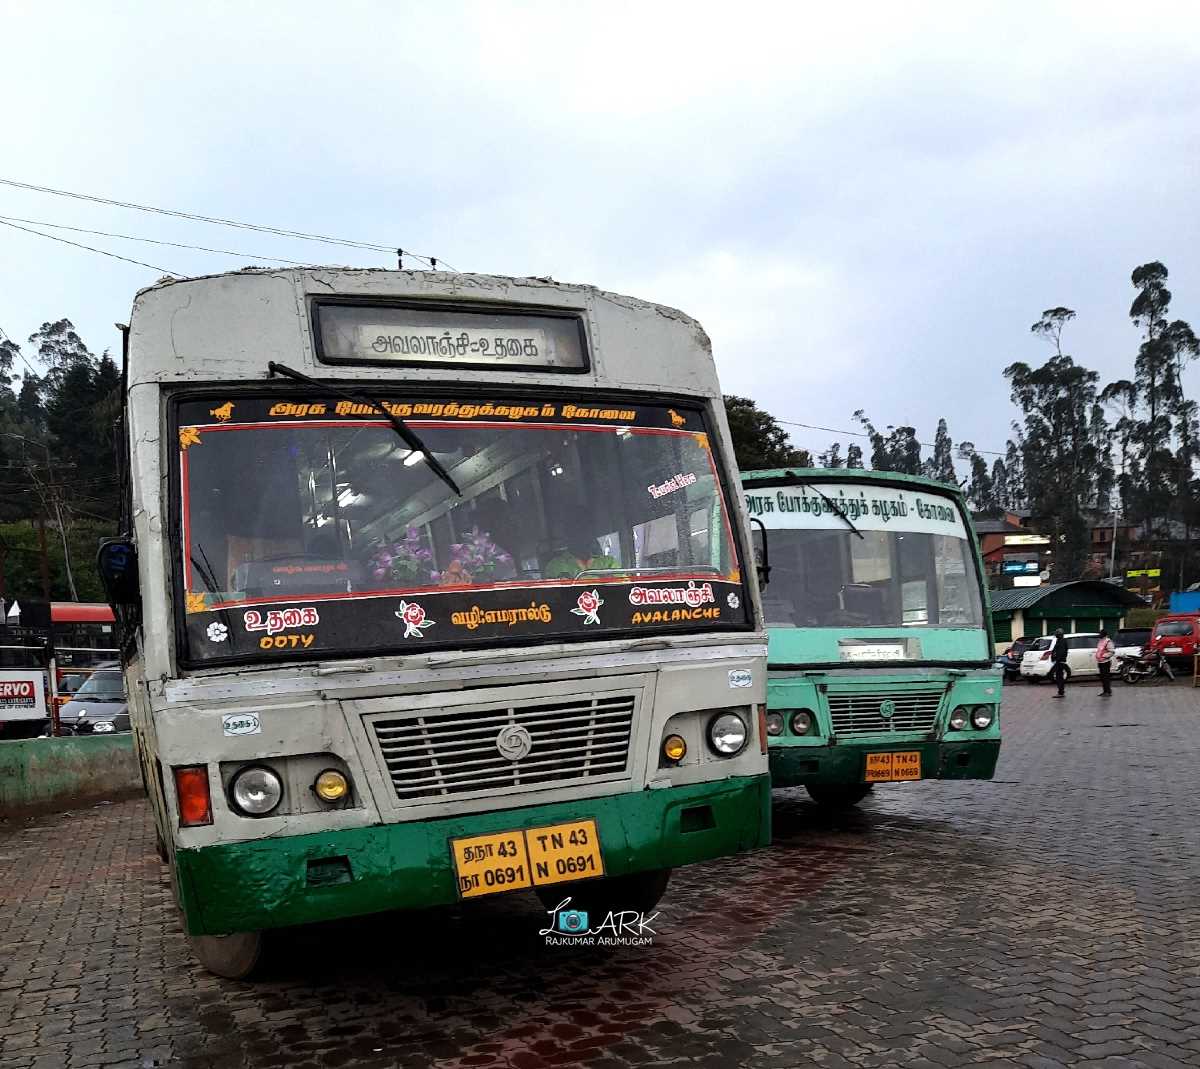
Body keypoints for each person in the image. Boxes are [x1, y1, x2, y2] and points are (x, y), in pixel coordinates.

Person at [1095, 628, 1115, 696]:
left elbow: (1112, 651)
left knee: (1106, 677)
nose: (1099, 635)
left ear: (1104, 635)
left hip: (1105, 662)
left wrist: (1104, 656)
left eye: (1100, 634)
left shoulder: (1108, 641)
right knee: (1102, 678)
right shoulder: (1101, 641)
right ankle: (1104, 691)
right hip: (1100, 662)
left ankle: (1108, 691)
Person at [1050, 628, 1069, 698]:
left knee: (1059, 677)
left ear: (1060, 635)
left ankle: (1061, 692)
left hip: (1060, 661)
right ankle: (1061, 691)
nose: (1056, 635)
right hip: (1059, 661)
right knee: (1059, 676)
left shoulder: (1062, 641)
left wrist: (1057, 659)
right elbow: (1055, 650)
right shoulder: (1059, 640)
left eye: (1057, 634)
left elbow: (1061, 652)